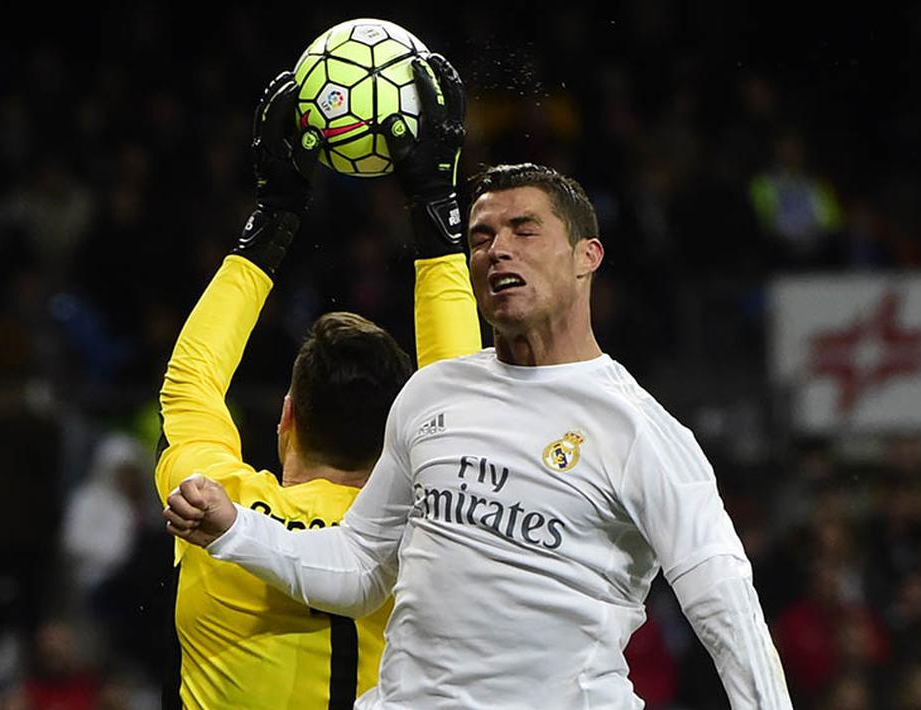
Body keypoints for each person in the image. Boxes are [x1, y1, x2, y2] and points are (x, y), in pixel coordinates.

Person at [164, 156, 794, 706]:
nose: (499, 250)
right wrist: (235, 529)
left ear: (587, 257)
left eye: (525, 230)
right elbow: (360, 567)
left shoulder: (639, 432)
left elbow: (724, 606)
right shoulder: (434, 392)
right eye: (483, 236)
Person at [154, 56, 481, 709]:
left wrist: (274, 214)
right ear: (397, 435)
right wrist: (436, 208)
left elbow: (191, 384)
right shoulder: (427, 524)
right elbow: (460, 400)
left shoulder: (215, 502)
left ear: (285, 418)